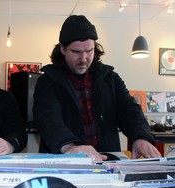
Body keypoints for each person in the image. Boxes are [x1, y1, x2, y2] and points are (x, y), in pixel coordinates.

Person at [32, 15, 162, 162]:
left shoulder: (110, 78)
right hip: (66, 161)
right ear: (62, 49)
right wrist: (68, 146)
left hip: (107, 161)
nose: (84, 58)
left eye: (89, 51)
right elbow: (47, 118)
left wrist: (141, 137)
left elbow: (129, 110)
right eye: (76, 52)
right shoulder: (48, 80)